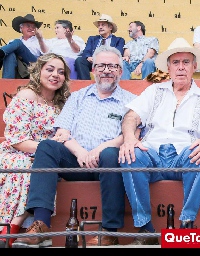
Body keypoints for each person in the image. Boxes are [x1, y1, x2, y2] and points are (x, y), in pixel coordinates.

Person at [12, 46, 136, 248]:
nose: (106, 70)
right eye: (101, 66)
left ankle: (109, 231)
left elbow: (130, 135)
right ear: (93, 69)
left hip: (108, 162)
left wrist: (101, 149)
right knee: (47, 146)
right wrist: (80, 152)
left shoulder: (131, 101)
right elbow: (63, 132)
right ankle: (41, 224)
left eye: (112, 66)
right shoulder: (77, 97)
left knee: (112, 154)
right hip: (77, 161)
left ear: (120, 71)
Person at [119, 37, 200, 245]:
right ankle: (144, 227)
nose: (181, 68)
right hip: (152, 154)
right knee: (130, 153)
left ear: (194, 66)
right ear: (168, 67)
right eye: (176, 62)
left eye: (186, 62)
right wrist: (129, 138)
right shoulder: (153, 91)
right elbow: (131, 116)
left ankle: (187, 223)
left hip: (184, 155)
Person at [0, 53, 71, 248]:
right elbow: (17, 139)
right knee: (27, 166)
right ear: (38, 71)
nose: (55, 75)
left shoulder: (63, 103)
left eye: (61, 72)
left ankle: (12, 230)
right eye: (49, 69)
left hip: (49, 155)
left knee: (40, 164)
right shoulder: (27, 96)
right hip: (19, 152)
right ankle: (10, 228)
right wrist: (47, 150)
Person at [74, 14, 125, 80]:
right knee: (80, 60)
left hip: (110, 63)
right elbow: (86, 51)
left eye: (103, 25)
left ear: (110, 28)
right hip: (94, 62)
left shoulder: (119, 40)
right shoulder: (92, 39)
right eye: (99, 25)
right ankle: (86, 84)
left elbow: (118, 53)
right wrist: (88, 57)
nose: (100, 27)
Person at [0, 14, 44, 79]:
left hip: (34, 66)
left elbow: (46, 57)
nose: (31, 28)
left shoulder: (40, 41)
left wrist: (40, 39)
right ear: (21, 28)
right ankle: (7, 83)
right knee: (10, 54)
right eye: (28, 26)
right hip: (19, 66)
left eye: (33, 27)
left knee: (17, 43)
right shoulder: (12, 42)